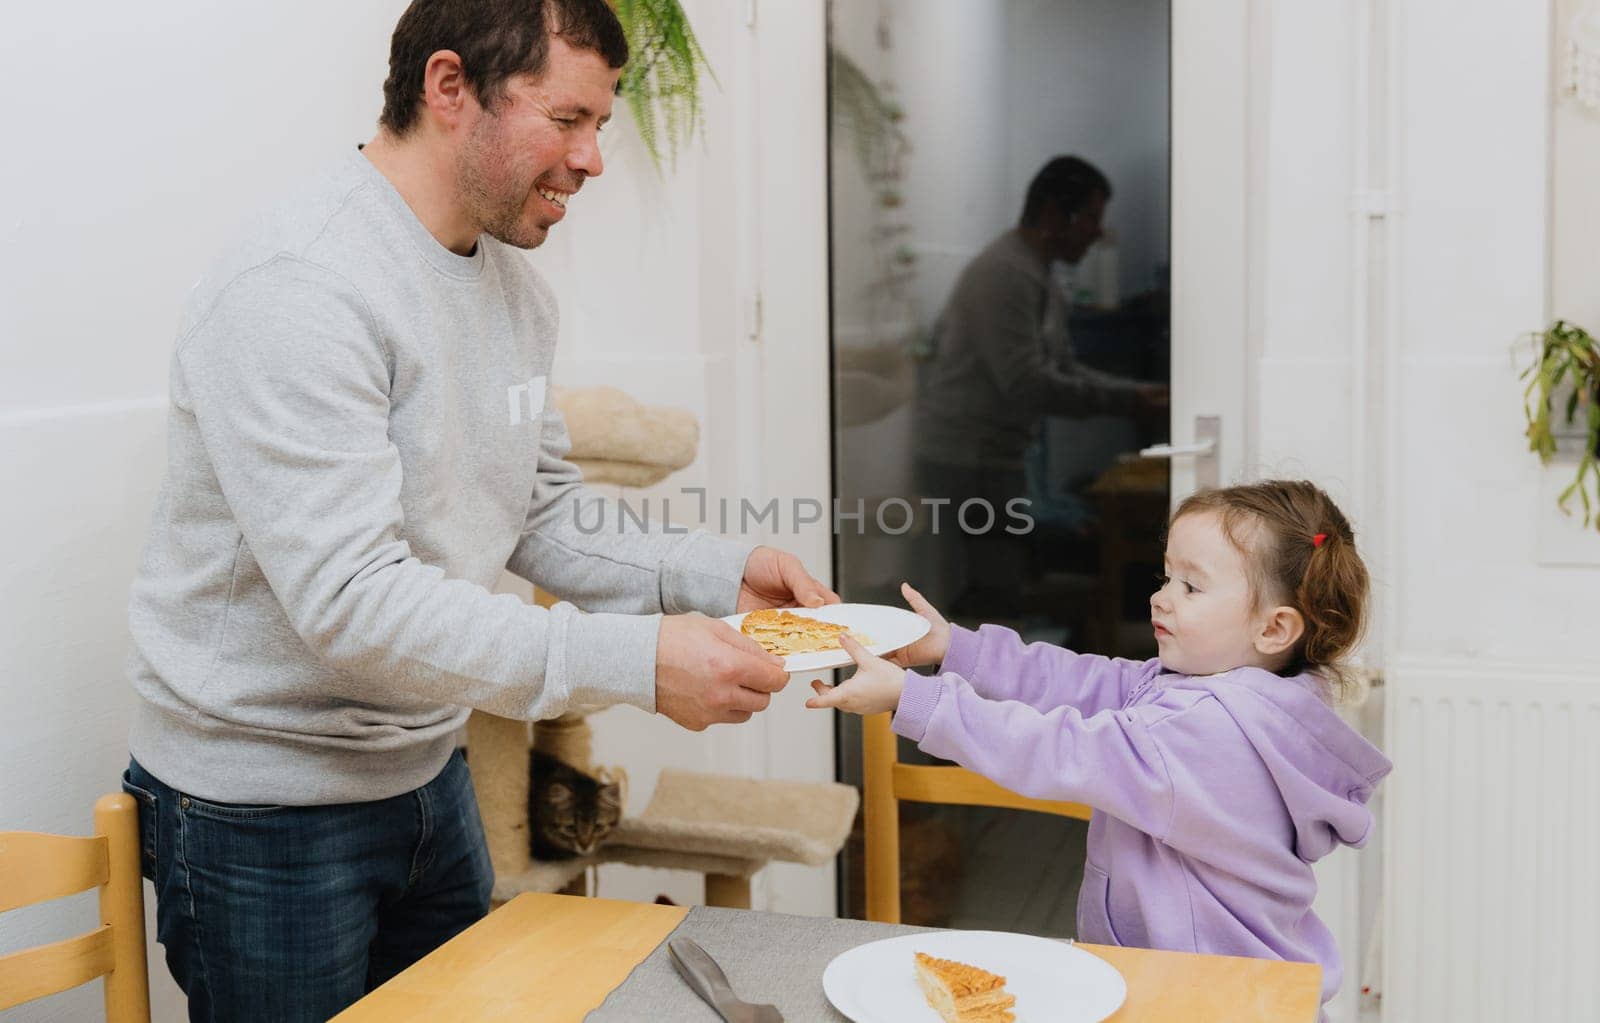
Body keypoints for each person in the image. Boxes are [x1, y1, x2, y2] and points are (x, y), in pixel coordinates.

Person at [120, 2, 833, 1019]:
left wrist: (723, 575)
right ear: (449, 87)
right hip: (261, 811)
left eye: (604, 124)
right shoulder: (299, 283)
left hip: (427, 780)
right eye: (567, 119)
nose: (592, 160)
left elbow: (538, 514)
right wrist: (639, 661)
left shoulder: (517, 293)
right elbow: (354, 605)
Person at [809, 480, 1392, 1011]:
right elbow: (1084, 681)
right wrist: (956, 650)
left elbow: (1057, 749)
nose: (1162, 598)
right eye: (1167, 577)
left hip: (1207, 996)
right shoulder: (1219, 693)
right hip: (1199, 982)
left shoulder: (1206, 734)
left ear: (1273, 629)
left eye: (1191, 586)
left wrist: (916, 700)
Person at [911, 156, 1167, 615]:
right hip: (968, 463)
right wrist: (1128, 402)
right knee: (996, 603)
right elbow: (1026, 384)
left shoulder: (1038, 273)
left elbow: (1064, 368)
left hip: (994, 458)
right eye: (1090, 218)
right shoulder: (1007, 274)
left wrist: (1134, 393)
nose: (1096, 233)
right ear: (1053, 213)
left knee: (1008, 594)